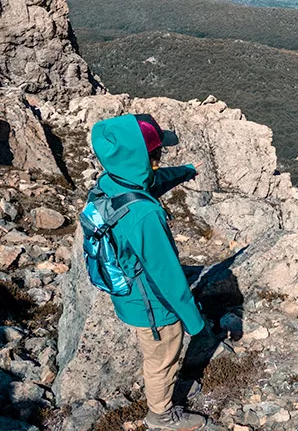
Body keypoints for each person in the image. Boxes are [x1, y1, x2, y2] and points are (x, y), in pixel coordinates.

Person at [89, 113, 207, 431]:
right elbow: (167, 275)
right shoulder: (145, 215)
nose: (160, 158)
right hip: (153, 306)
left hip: (128, 293)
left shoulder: (110, 184)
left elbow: (152, 182)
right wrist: (195, 323)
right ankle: (161, 415)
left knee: (157, 355)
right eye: (158, 154)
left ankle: (166, 392)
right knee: (162, 356)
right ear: (146, 158)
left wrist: (185, 172)